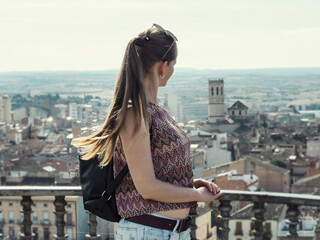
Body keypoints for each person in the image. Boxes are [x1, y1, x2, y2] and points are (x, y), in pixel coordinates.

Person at [72, 23, 223, 240]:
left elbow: (155, 173)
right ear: (162, 67)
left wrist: (191, 184)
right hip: (147, 232)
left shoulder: (154, 111)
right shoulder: (135, 114)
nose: (172, 70)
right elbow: (147, 187)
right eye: (173, 64)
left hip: (171, 231)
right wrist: (196, 195)